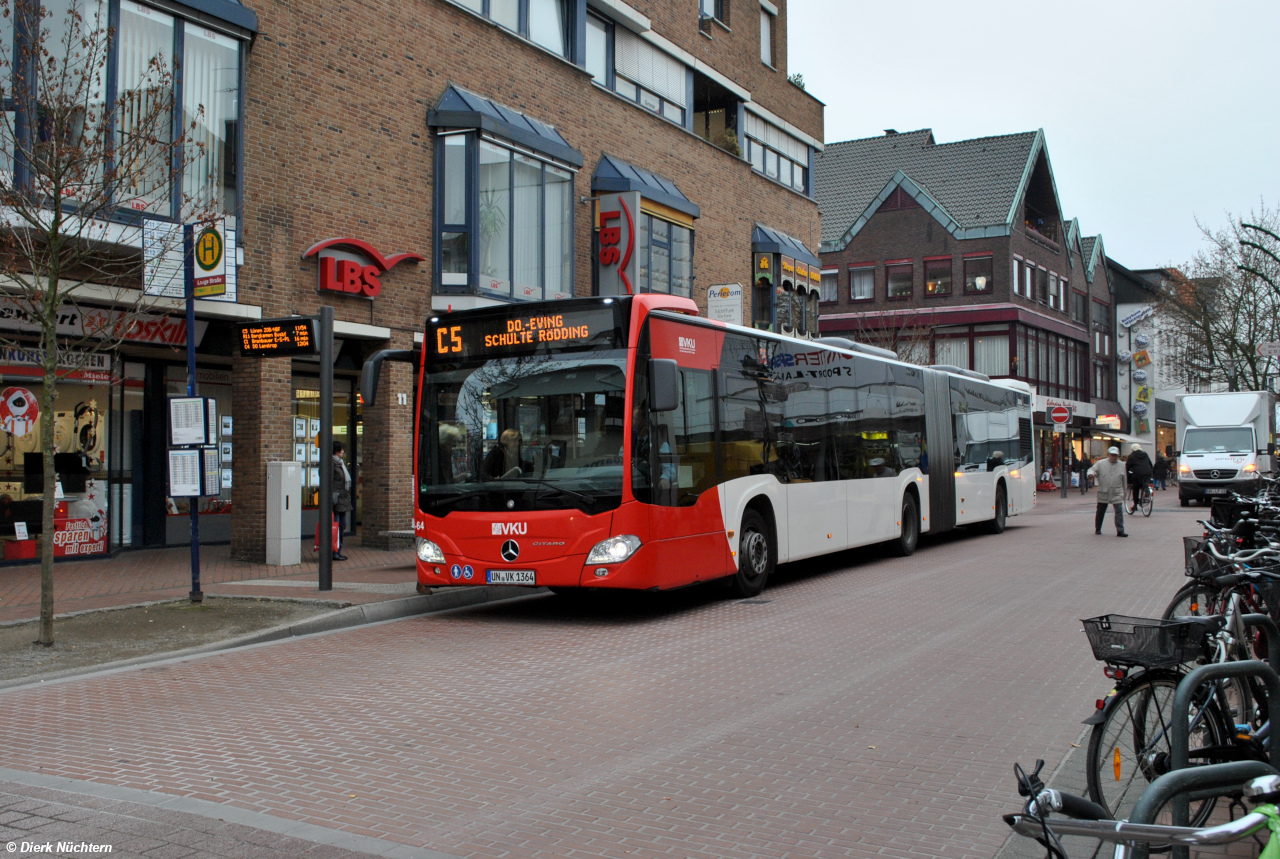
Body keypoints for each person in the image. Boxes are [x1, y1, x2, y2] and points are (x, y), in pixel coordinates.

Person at [1088, 446, 1128, 537]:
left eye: (1115, 455)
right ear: (1108, 454)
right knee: (1100, 511)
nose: (1114, 457)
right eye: (1112, 455)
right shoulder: (1101, 463)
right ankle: (1098, 528)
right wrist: (1090, 474)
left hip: (1116, 492)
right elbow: (1092, 469)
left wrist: (1124, 494)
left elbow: (1124, 480)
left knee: (1119, 511)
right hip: (1104, 491)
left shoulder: (1122, 465)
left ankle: (1120, 530)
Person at [331, 440, 352, 561]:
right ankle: (335, 551)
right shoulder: (332, 463)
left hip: (343, 499)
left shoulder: (341, 463)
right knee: (337, 525)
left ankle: (338, 550)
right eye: (341, 450)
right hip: (337, 498)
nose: (343, 452)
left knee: (342, 525)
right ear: (336, 451)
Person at [1126, 443, 1154, 509]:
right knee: (1144, 484)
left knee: (1136, 488)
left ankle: (1135, 505)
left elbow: (1128, 466)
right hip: (1147, 472)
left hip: (1137, 473)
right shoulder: (1145, 454)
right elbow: (1150, 464)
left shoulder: (1132, 456)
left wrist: (1128, 478)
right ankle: (1146, 490)